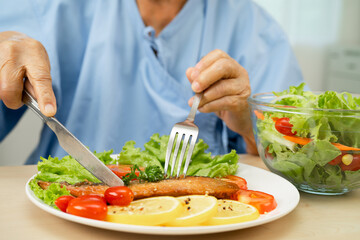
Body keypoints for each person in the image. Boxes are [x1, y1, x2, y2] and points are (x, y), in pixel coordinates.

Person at [0, 0, 302, 164]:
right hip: (63, 214)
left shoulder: (256, 29)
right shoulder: (49, 8)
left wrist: (250, 126)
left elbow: (298, 157)